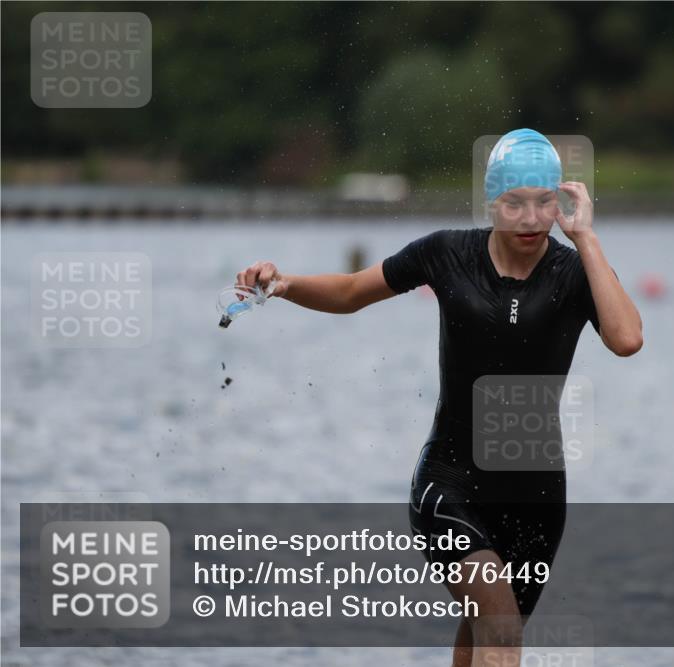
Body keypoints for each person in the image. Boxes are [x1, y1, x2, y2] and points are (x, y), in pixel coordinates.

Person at [235, 128, 642, 666]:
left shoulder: (574, 271)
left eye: (545, 203)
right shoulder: (446, 253)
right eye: (514, 204)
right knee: (499, 627)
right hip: (450, 484)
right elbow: (354, 292)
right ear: (491, 201)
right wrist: (286, 284)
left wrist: (586, 240)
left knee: (484, 635)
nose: (530, 219)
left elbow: (626, 339)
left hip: (537, 497)